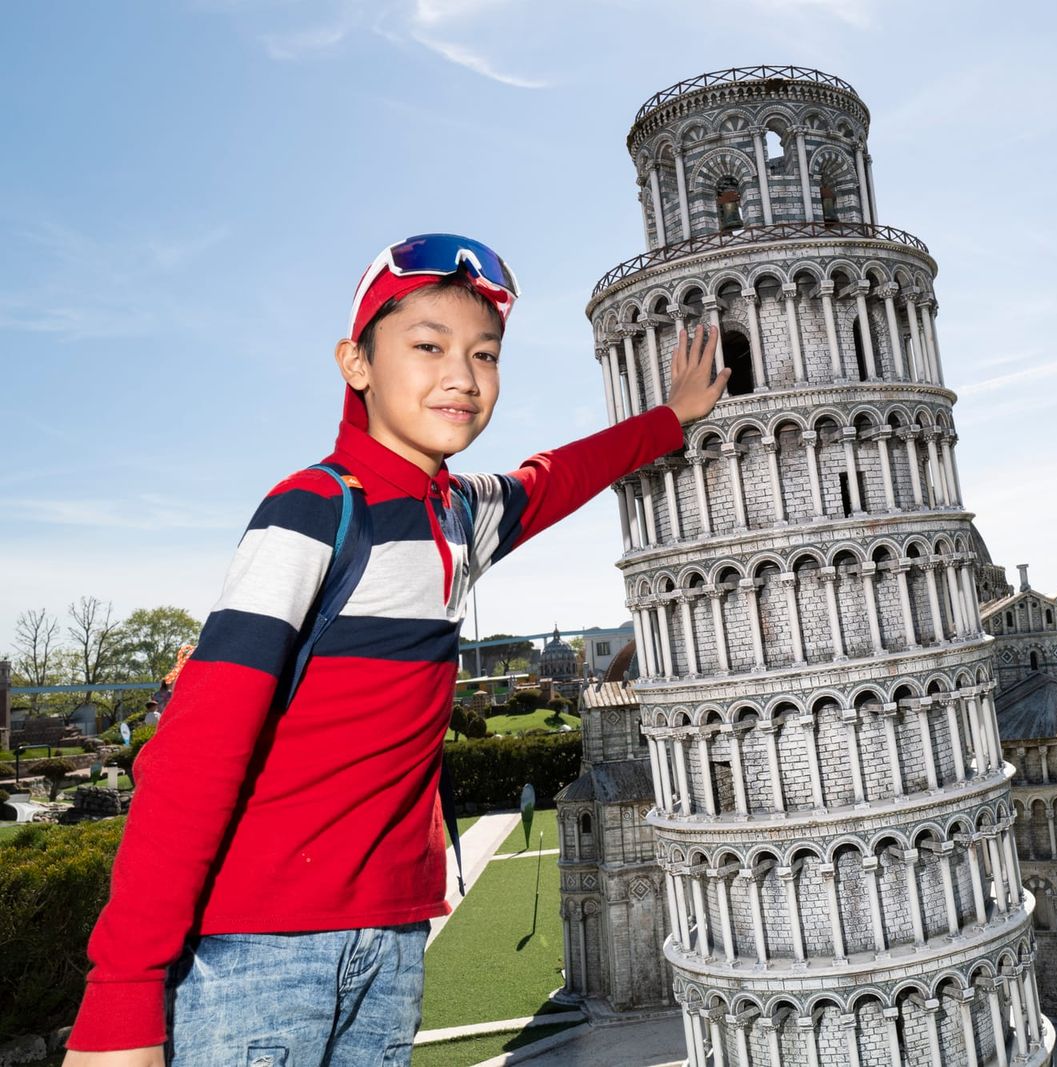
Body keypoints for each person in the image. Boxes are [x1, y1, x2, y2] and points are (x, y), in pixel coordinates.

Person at [64, 233, 728, 1066]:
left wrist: (670, 418)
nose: (462, 374)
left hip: (392, 940)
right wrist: (122, 997)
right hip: (259, 952)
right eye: (427, 346)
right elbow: (195, 754)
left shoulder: (459, 516)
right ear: (357, 363)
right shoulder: (309, 510)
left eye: (484, 355)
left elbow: (555, 477)